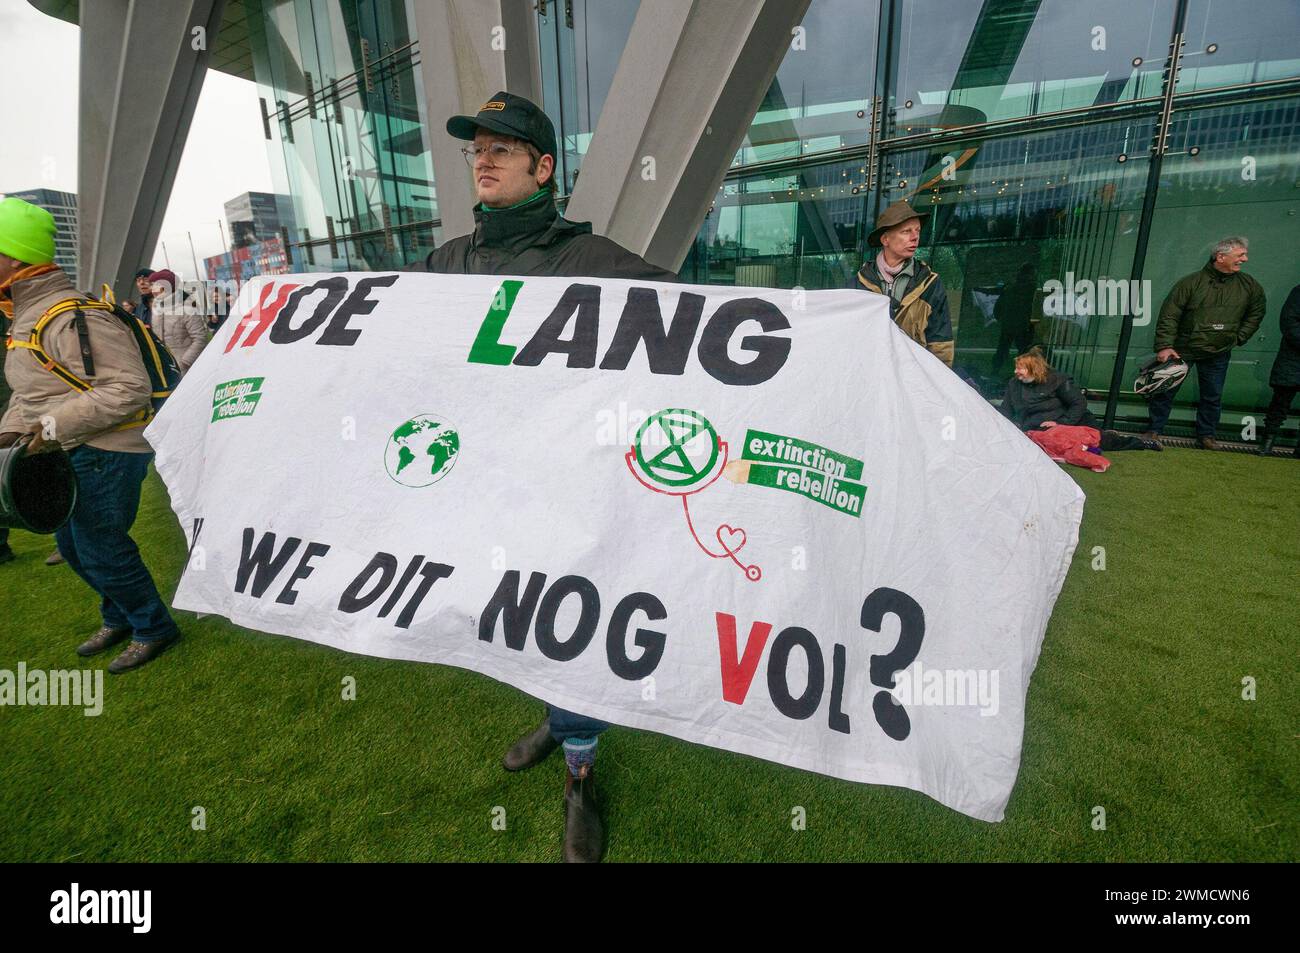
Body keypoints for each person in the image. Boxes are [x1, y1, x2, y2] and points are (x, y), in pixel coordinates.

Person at [416, 91, 677, 862]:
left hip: (571, 492)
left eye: (504, 147)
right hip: (479, 489)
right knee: (515, 618)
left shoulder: (592, 260)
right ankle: (557, 716)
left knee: (569, 622)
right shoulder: (443, 261)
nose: (485, 158)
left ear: (544, 167)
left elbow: (701, 323)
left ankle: (580, 765)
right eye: (477, 148)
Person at [0, 196, 182, 672]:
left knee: (102, 546)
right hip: (66, 446)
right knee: (73, 548)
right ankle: (118, 615)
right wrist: (11, 431)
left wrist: (48, 428)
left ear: (14, 258)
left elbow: (128, 389)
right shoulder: (26, 316)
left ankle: (153, 627)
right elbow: (34, 390)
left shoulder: (71, 316)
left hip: (107, 447)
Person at [1145, 237, 1266, 449]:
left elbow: (1257, 313)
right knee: (1165, 390)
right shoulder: (1190, 283)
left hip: (1219, 351)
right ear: (1221, 257)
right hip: (1182, 350)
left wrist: (1238, 337)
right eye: (1240, 255)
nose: (1245, 259)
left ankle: (1207, 436)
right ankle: (1154, 430)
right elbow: (1169, 315)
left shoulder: (1250, 285)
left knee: (1212, 396)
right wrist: (1165, 346)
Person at [853, 200, 954, 367]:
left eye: (917, 231)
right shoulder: (857, 284)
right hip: (869, 377)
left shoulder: (930, 284)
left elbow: (941, 345)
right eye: (906, 231)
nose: (915, 237)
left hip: (912, 380)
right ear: (885, 239)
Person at [1001, 349, 1161, 452]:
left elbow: (1079, 403)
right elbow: (1006, 410)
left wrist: (1062, 423)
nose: (1016, 372)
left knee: (1100, 441)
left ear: (1033, 369)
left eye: (1020, 368)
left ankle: (1141, 443)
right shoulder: (1014, 384)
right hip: (1039, 429)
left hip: (1070, 422)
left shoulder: (1058, 380)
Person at [1258, 284, 1299, 458]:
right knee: (1280, 403)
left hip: (1291, 358)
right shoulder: (1298, 292)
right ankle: (1267, 443)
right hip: (1293, 359)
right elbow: (1289, 322)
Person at [146, 269, 208, 373]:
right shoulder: (156, 310)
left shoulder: (187, 309)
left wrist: (184, 363)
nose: (151, 289)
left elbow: (200, 339)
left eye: (154, 285)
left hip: (188, 369)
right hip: (167, 369)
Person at [992, 262, 1037, 372]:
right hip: (1022, 326)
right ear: (1031, 274)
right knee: (1023, 351)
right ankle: (1023, 372)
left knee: (1002, 349)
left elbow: (997, 309)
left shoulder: (1009, 288)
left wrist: (1003, 320)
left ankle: (995, 370)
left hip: (1008, 325)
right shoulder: (1031, 289)